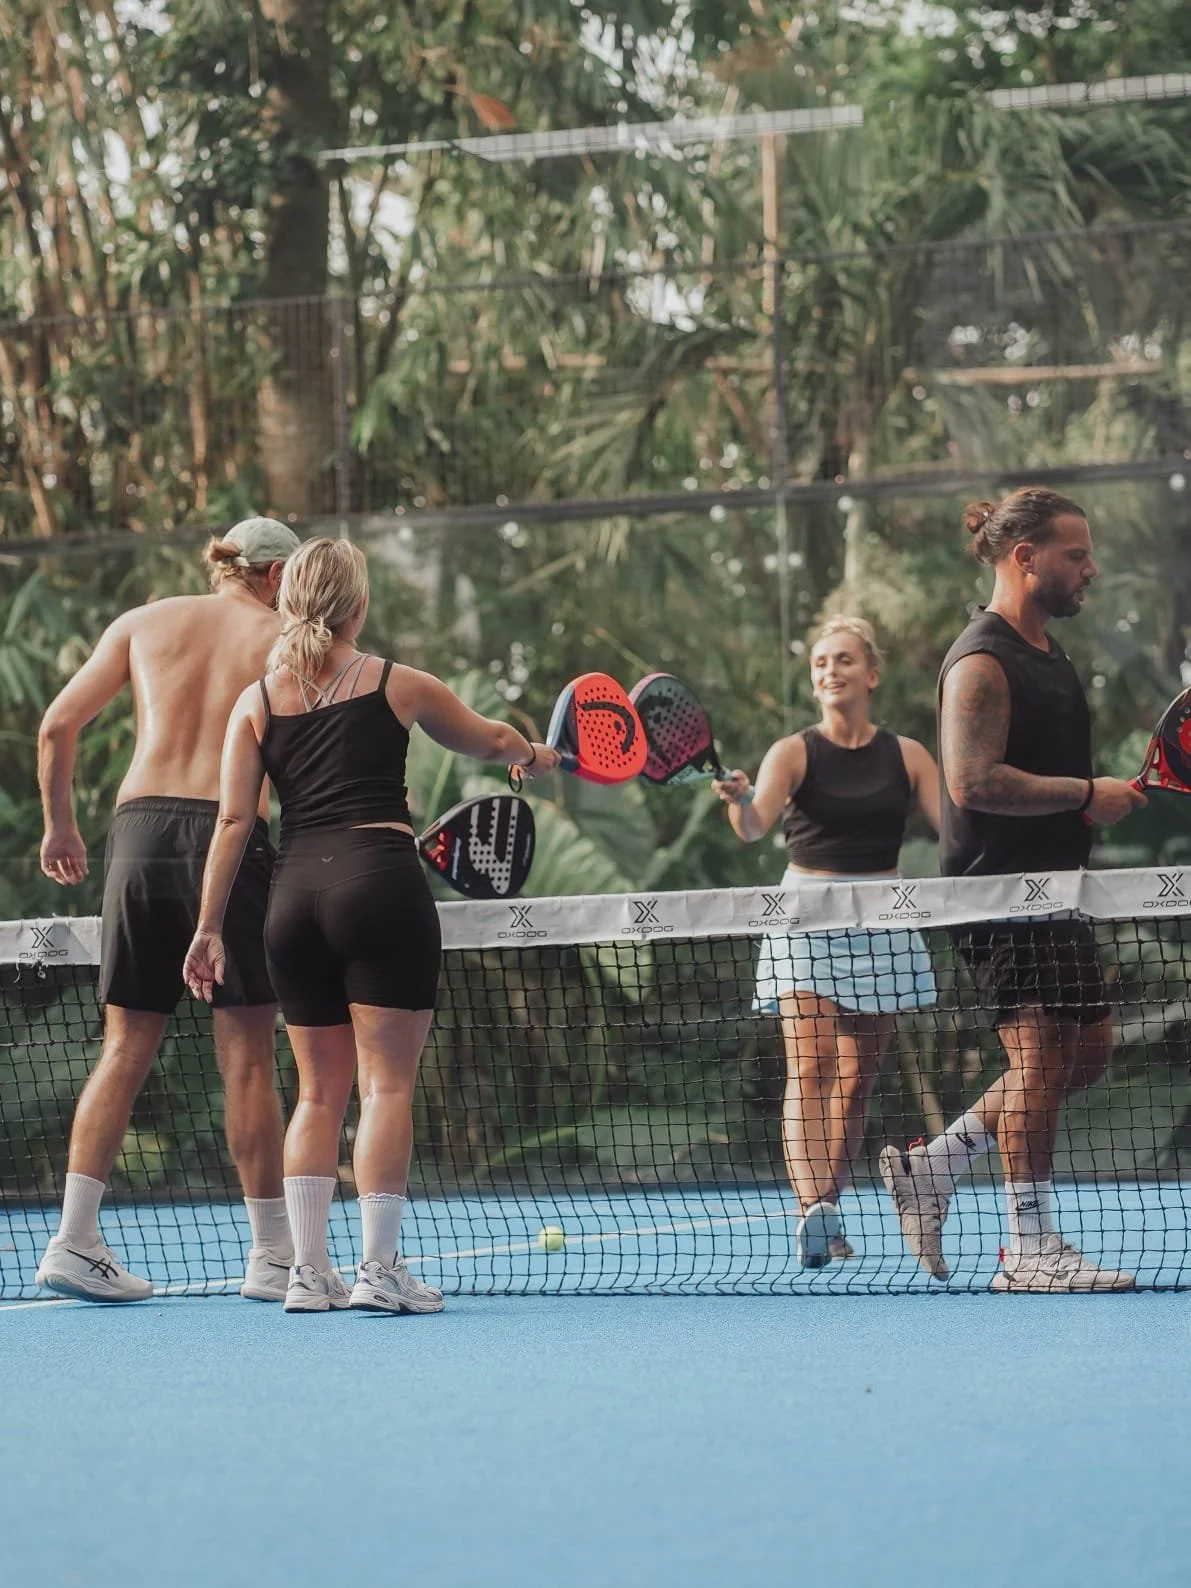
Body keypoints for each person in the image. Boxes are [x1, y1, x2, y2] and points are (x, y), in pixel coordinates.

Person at [182, 536, 559, 1314]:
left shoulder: (255, 703)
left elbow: (233, 823)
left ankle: (306, 1273)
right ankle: (379, 1273)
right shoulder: (397, 683)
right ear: (358, 605)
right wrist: (535, 753)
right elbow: (492, 740)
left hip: (292, 902)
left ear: (289, 603)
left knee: (317, 1093)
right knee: (385, 1085)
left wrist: (208, 927)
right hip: (379, 888)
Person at [879, 488, 1145, 1292]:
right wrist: (1083, 794)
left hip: (1055, 890)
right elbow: (970, 782)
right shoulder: (981, 661)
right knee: (1037, 1060)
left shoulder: (1047, 653)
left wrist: (1086, 805)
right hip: (997, 895)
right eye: (1076, 554)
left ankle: (935, 1165)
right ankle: (1028, 1248)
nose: (1089, 569)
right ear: (1025, 558)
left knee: (1085, 1056)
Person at [35, 516, 302, 1304]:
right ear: (276, 576)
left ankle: (73, 1240)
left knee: (123, 1046)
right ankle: (272, 1256)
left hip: (138, 831)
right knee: (246, 1057)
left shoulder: (141, 623)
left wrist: (60, 826)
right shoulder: (286, 640)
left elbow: (55, 726)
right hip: (229, 834)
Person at [714, 616, 940, 1269]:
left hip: (882, 915)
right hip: (805, 916)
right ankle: (812, 1208)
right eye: (819, 662)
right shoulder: (791, 752)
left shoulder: (909, 755)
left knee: (856, 1079)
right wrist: (737, 800)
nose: (829, 671)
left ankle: (828, 1214)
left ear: (871, 673)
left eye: (843, 659)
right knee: (811, 1066)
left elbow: (956, 829)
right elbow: (752, 825)